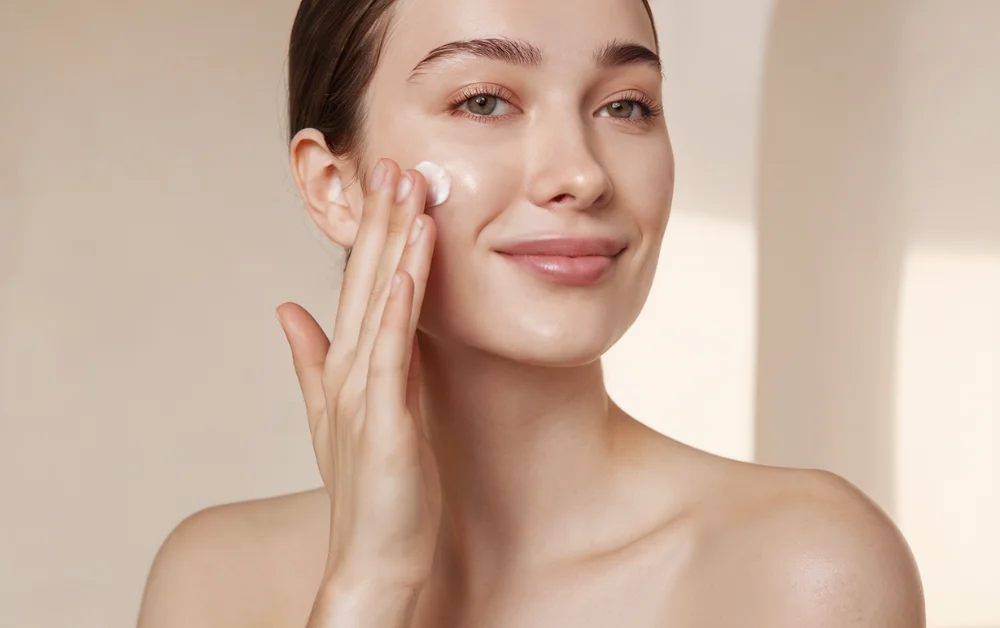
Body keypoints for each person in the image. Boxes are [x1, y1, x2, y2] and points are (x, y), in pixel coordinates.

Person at [137, 0, 925, 625]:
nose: (580, 174)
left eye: (625, 106)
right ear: (332, 187)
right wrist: (370, 586)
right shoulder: (214, 581)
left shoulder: (806, 572)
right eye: (484, 101)